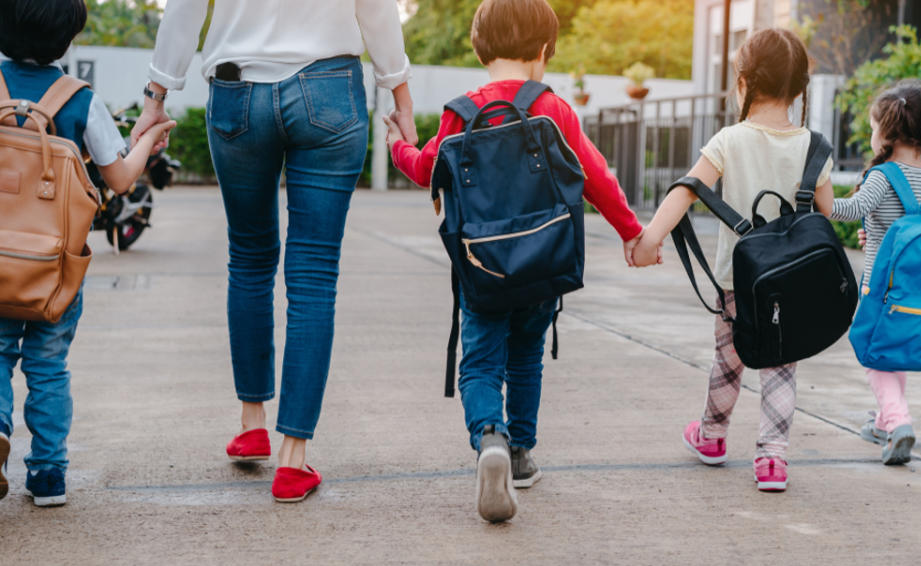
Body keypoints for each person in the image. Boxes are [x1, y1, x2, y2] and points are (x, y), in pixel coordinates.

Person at [132, 0, 417, 503]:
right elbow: (374, 9)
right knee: (313, 274)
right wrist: (400, 94)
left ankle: (251, 424)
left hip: (237, 89)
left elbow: (184, 9)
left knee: (249, 259)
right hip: (330, 90)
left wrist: (156, 96)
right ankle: (292, 460)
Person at [385, 0, 646, 522]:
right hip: (543, 264)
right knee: (526, 355)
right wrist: (633, 233)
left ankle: (490, 439)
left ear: (480, 48)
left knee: (481, 360)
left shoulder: (461, 111)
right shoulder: (553, 108)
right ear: (543, 50)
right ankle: (521, 455)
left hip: (482, 267)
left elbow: (425, 170)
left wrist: (398, 144)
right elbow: (597, 178)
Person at [632, 28, 834, 492]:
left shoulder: (729, 139)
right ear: (801, 88)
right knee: (782, 363)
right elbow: (827, 212)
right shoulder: (814, 147)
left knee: (729, 360)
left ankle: (713, 436)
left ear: (742, 83)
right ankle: (772, 461)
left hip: (737, 281)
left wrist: (650, 238)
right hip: (794, 283)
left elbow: (687, 188)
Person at [0, 0, 175, 506]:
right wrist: (149, 139)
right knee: (48, 367)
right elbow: (119, 179)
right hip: (54, 268)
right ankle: (48, 474)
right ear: (67, 39)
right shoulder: (79, 100)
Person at [830, 82, 921, 465]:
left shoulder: (882, 176)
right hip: (917, 290)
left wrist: (819, 192)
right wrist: (875, 230)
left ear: (887, 131)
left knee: (873, 354)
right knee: (893, 351)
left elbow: (848, 210)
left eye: (873, 126)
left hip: (879, 287)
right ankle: (883, 421)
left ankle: (898, 421)